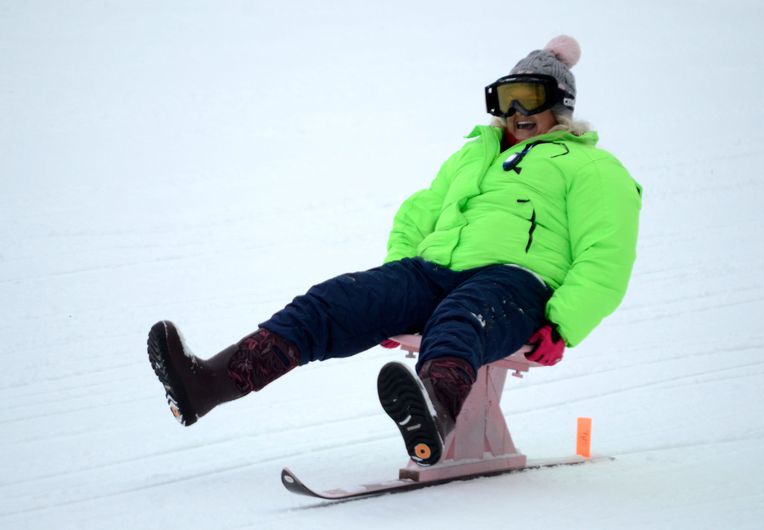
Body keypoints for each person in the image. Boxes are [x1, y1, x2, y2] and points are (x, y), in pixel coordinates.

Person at [146, 35, 642, 467]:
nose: (514, 113)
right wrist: (394, 289)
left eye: (527, 98)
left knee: (462, 318)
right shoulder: (474, 155)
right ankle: (206, 384)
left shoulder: (593, 169)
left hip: (516, 282)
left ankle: (434, 414)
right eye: (504, 99)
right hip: (432, 270)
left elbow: (607, 254)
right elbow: (418, 212)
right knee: (338, 300)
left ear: (559, 104)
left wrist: (562, 322)